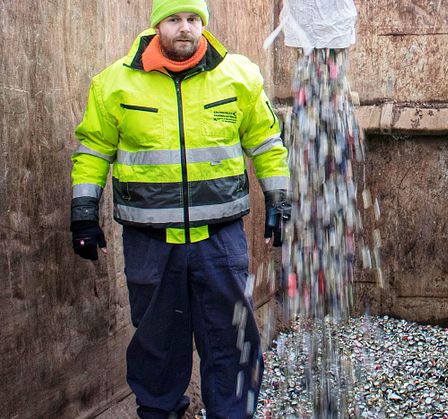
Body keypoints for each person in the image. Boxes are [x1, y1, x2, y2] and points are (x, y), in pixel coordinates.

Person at [69, 0, 291, 417]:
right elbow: (95, 149)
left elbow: (265, 142)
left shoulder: (238, 75)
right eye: (174, 19)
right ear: (157, 25)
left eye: (193, 19)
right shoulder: (115, 83)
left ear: (202, 24)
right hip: (151, 245)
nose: (184, 28)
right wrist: (83, 208)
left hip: (220, 241)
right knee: (158, 346)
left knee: (231, 343)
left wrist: (280, 197)